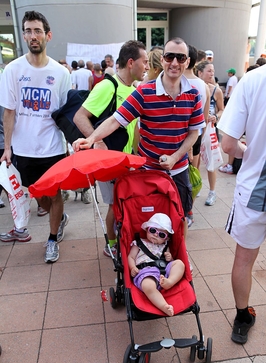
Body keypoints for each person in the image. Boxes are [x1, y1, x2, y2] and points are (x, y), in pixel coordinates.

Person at [73, 37, 206, 240]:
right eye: (170, 57)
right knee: (148, 221)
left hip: (179, 171)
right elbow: (116, 120)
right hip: (149, 172)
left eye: (181, 58)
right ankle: (148, 261)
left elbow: (193, 133)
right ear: (162, 60)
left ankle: (179, 259)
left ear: (187, 62)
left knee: (180, 219)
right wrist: (91, 139)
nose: (175, 63)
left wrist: (175, 157)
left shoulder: (194, 94)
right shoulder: (144, 92)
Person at [0, 10, 71, 263]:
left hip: (52, 148)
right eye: (28, 31)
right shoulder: (12, 69)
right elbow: (9, 112)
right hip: (23, 149)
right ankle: (59, 217)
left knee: (55, 194)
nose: (33, 36)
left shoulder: (61, 74)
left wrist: (73, 143)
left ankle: (52, 239)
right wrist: (7, 147)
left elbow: (66, 113)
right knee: (40, 200)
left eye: (37, 31)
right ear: (23, 35)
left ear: (47, 35)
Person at [73, 40, 149, 257]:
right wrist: (98, 143)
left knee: (123, 203)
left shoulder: (134, 89)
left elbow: (133, 128)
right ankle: (112, 244)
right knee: (114, 205)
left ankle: (122, 239)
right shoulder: (108, 86)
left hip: (125, 160)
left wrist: (136, 154)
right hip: (108, 161)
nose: (146, 67)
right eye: (144, 62)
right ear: (131, 62)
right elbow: (79, 116)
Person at [217, 64, 266, 344]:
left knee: (244, 260)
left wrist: (249, 152)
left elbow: (227, 145)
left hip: (254, 189)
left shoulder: (253, 79)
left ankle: (242, 317)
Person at [128, 213, 185, 316]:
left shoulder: (165, 245)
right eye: (153, 230)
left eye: (161, 235)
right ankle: (164, 306)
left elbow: (170, 261)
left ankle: (170, 282)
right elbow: (131, 257)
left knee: (179, 263)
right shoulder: (139, 243)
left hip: (164, 271)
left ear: (166, 239)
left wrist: (170, 257)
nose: (155, 235)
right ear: (147, 229)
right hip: (146, 272)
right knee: (148, 286)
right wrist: (133, 267)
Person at [184, 45, 210, 223]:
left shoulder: (174, 82)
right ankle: (189, 209)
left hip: (177, 136)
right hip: (197, 134)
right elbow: (205, 118)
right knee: (192, 171)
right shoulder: (204, 86)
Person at [195, 60, 224, 206]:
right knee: (196, 161)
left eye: (213, 71)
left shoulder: (216, 90)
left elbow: (222, 110)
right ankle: (196, 185)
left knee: (211, 162)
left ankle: (212, 192)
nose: (212, 74)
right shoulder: (193, 87)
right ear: (200, 72)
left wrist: (216, 116)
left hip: (210, 129)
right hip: (196, 130)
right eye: (209, 71)